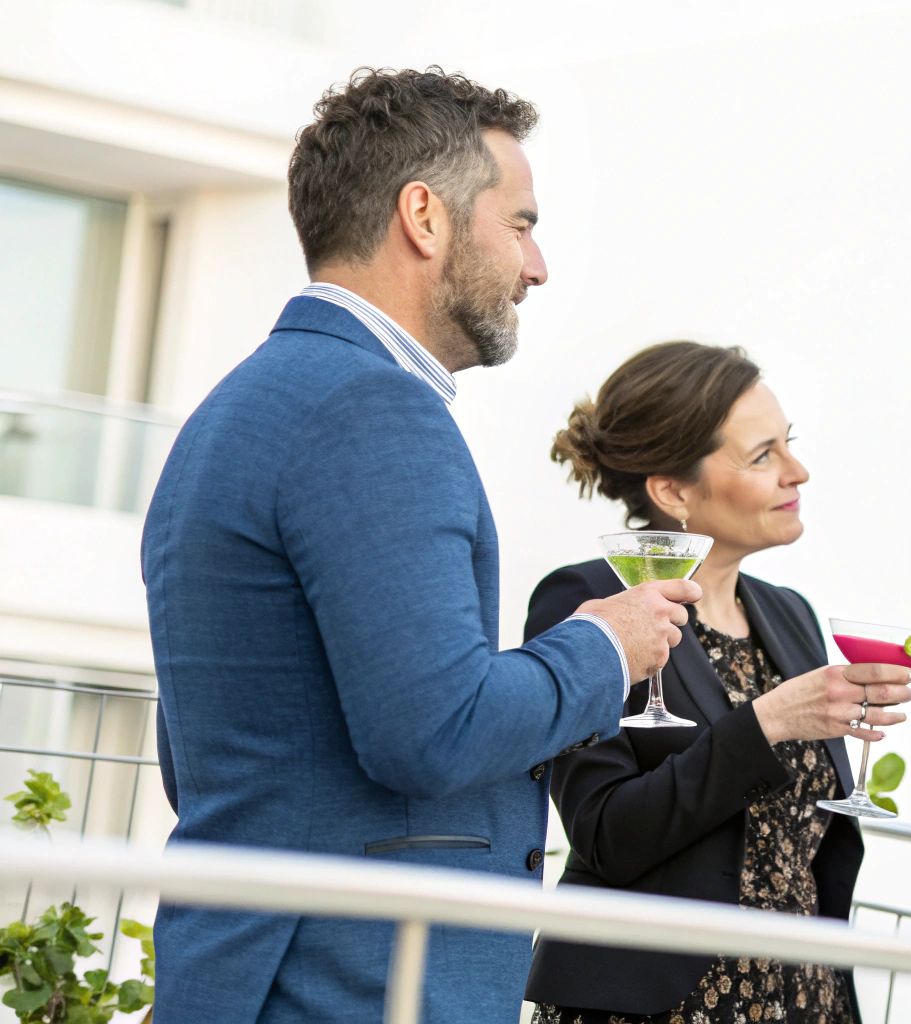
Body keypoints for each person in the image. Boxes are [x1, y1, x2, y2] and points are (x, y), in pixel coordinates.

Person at [140, 68, 699, 1023]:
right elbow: (435, 733)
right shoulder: (371, 408)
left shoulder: (238, 408)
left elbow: (220, 743)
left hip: (253, 966)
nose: (536, 266)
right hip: (351, 983)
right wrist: (605, 645)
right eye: (520, 224)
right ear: (424, 217)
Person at [521, 341, 911, 1023]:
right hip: (657, 1009)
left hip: (800, 1000)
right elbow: (605, 832)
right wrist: (767, 723)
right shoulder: (589, 604)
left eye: (789, 444)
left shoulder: (789, 614)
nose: (798, 472)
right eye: (763, 456)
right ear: (674, 492)